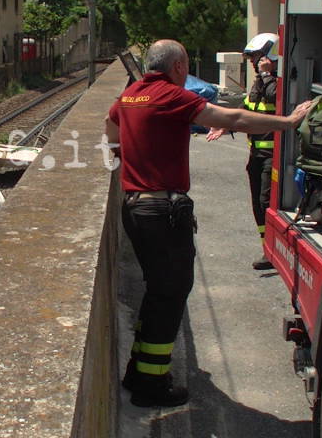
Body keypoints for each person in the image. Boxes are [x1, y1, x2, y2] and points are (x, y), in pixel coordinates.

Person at [106, 39, 311, 408]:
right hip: (162, 213)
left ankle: (140, 371)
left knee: (158, 291)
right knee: (170, 293)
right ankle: (151, 386)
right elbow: (232, 118)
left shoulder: (133, 93)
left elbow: (109, 122)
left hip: (135, 209)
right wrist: (289, 122)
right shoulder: (171, 95)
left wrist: (120, 153)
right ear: (179, 67)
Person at [206, 32, 280, 270]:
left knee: (266, 201)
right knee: (258, 205)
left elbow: (276, 98)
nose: (253, 63)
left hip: (272, 156)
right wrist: (225, 125)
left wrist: (267, 74)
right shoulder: (260, 81)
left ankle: (273, 251)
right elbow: (246, 109)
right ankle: (267, 250)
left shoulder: (278, 80)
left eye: (256, 58)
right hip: (256, 156)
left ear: (270, 55)